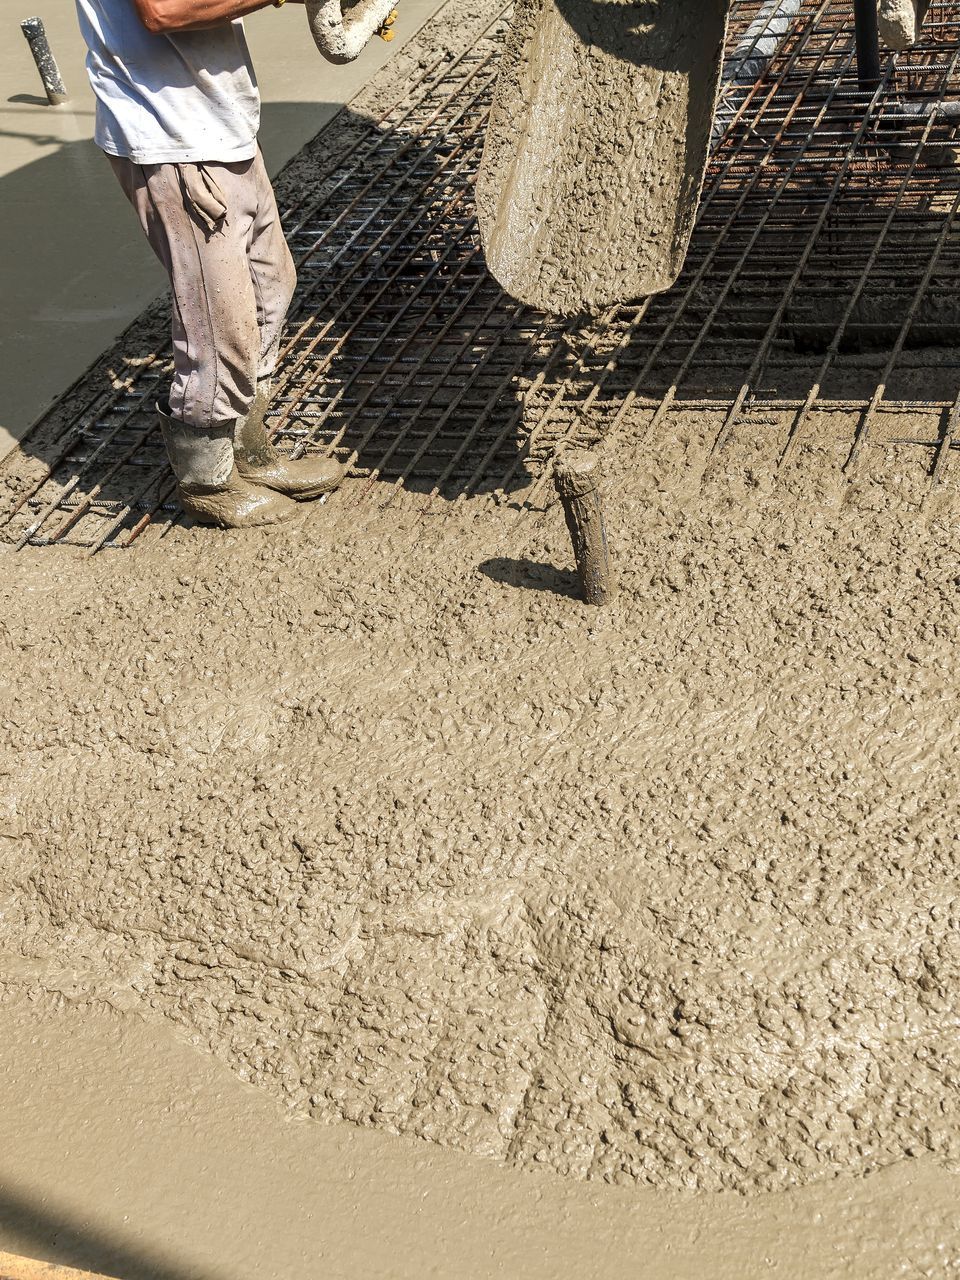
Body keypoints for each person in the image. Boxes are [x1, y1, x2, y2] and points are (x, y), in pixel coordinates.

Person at [74, 0, 344, 527]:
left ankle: (248, 451)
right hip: (172, 138)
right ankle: (207, 481)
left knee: (270, 287)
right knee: (219, 323)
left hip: (217, 123)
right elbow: (166, 10)